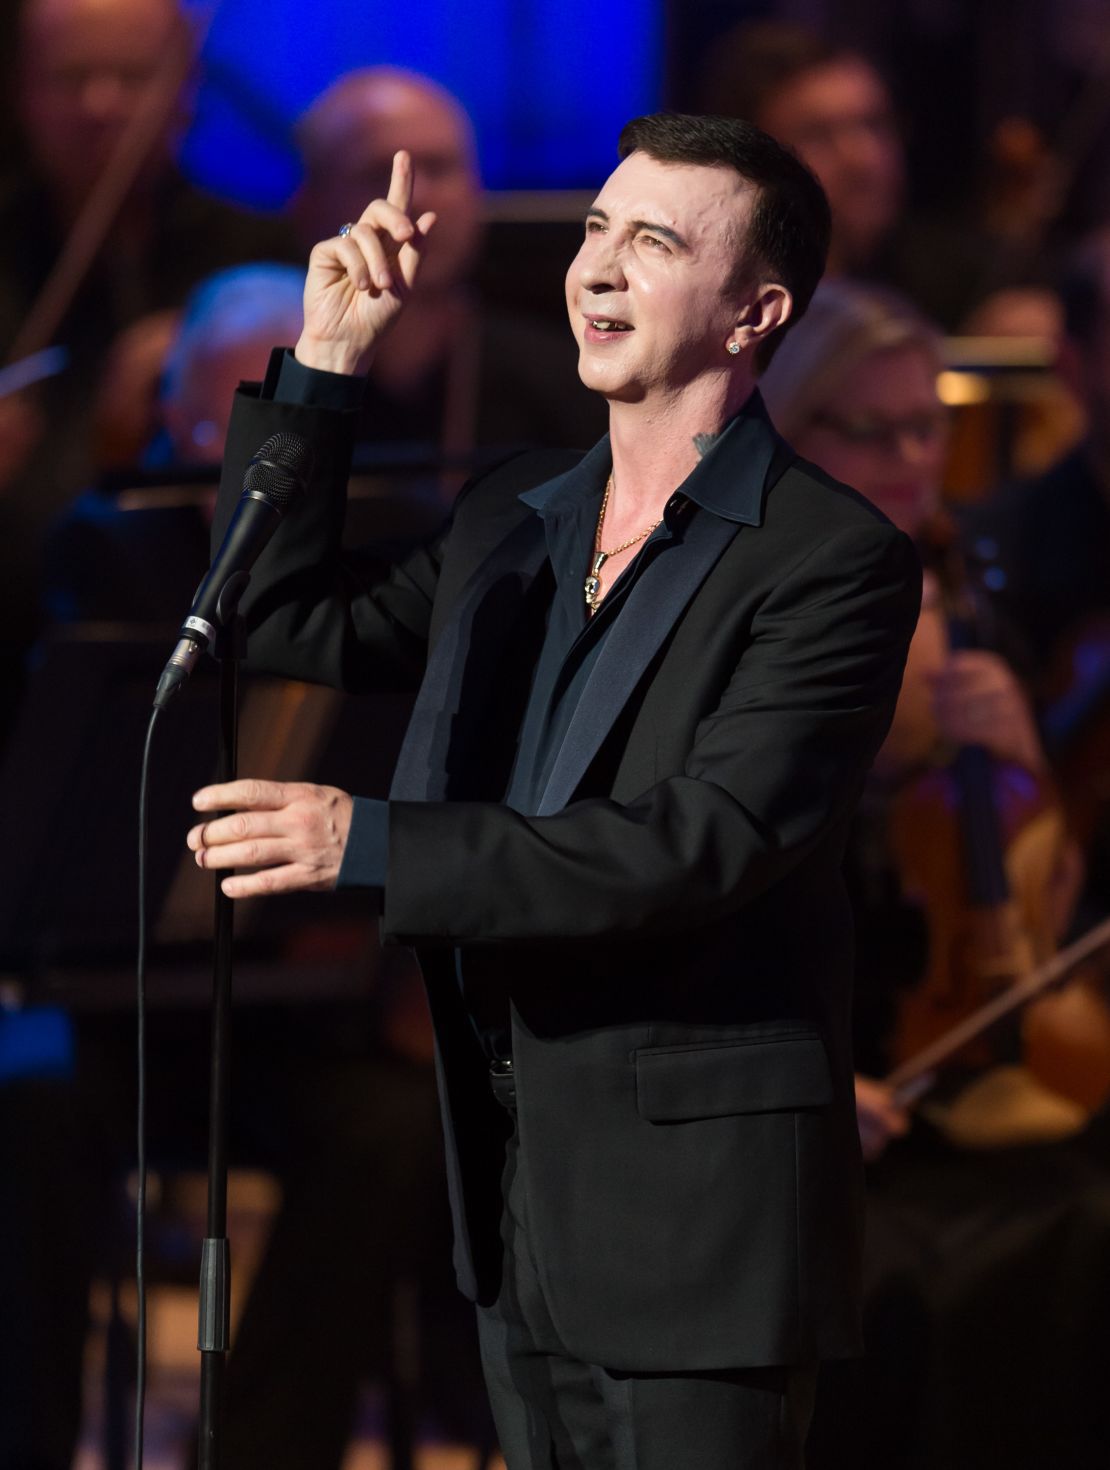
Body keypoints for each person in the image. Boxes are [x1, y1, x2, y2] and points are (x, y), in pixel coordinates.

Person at [185, 116, 920, 1467]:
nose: (597, 268)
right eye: (593, 229)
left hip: (696, 1221)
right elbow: (283, 619)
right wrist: (328, 363)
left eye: (652, 242)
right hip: (517, 1186)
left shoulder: (831, 558)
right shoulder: (513, 513)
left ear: (754, 311)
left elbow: (692, 846)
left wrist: (373, 842)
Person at [760, 279, 1110, 1470]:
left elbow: (1039, 917)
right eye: (875, 429)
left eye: (929, 427)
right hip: (807, 1080)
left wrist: (1024, 772)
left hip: (948, 1059)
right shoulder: (742, 628)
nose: (915, 458)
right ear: (788, 429)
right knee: (910, 1285)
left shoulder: (963, 593)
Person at [290, 66, 608, 461]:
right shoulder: (267, 371)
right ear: (307, 204)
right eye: (378, 174)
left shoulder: (569, 378)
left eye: (439, 168)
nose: (416, 197)